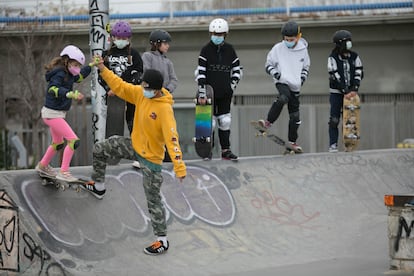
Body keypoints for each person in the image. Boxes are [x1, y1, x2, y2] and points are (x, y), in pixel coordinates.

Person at [85, 56, 187, 256]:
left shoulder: (165, 109)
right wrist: (102, 68)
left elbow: (172, 139)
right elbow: (120, 86)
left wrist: (179, 166)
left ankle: (162, 240)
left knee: (153, 198)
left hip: (152, 160)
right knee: (102, 148)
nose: (143, 89)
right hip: (135, 146)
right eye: (143, 85)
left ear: (157, 90)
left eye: (147, 87)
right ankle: (98, 186)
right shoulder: (141, 94)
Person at [35, 45, 91, 182]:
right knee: (73, 141)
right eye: (75, 64)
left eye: (79, 65)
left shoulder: (70, 74)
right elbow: (53, 89)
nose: (77, 68)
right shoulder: (60, 74)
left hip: (57, 114)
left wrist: (91, 65)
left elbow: (80, 76)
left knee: (58, 143)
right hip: (52, 114)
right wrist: (69, 93)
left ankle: (42, 166)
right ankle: (64, 171)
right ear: (66, 62)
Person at [258, 20, 310, 152]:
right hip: (282, 80)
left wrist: (302, 78)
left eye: (291, 39)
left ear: (298, 37)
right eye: (286, 39)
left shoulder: (303, 50)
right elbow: (268, 64)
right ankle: (267, 122)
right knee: (283, 98)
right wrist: (275, 74)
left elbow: (306, 67)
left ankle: (292, 142)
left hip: (296, 85)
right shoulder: (278, 49)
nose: (288, 41)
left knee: (295, 117)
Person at [196, 18, 242, 161]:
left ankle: (225, 150)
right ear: (211, 34)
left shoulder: (230, 50)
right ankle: (208, 151)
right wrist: (202, 92)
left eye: (220, 34)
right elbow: (201, 73)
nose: (216, 36)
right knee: (211, 124)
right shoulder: (205, 50)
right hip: (209, 94)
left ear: (225, 34)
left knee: (225, 121)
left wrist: (232, 85)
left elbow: (237, 70)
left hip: (225, 93)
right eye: (214, 34)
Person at [98, 20, 144, 135]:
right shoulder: (106, 54)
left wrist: (127, 87)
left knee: (133, 124)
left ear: (129, 39)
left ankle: (136, 145)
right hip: (112, 95)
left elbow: (138, 74)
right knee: (113, 127)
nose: (121, 41)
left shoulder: (134, 54)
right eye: (119, 38)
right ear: (113, 38)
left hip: (129, 94)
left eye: (124, 38)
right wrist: (109, 89)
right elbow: (101, 75)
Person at [142, 29, 178, 163]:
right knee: (150, 127)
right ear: (156, 43)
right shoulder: (147, 56)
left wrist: (167, 89)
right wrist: (155, 88)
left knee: (167, 128)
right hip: (151, 98)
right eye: (165, 43)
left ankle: (168, 155)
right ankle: (147, 153)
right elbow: (146, 73)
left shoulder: (168, 62)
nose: (167, 45)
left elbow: (174, 79)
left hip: (164, 100)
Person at [327, 30, 364, 153]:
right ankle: (333, 145)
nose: (349, 44)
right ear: (339, 44)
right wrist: (345, 90)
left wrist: (354, 89)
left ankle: (349, 145)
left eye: (350, 41)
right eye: (346, 42)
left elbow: (359, 71)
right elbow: (334, 75)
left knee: (350, 120)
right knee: (334, 119)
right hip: (336, 93)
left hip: (352, 94)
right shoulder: (332, 58)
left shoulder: (355, 56)